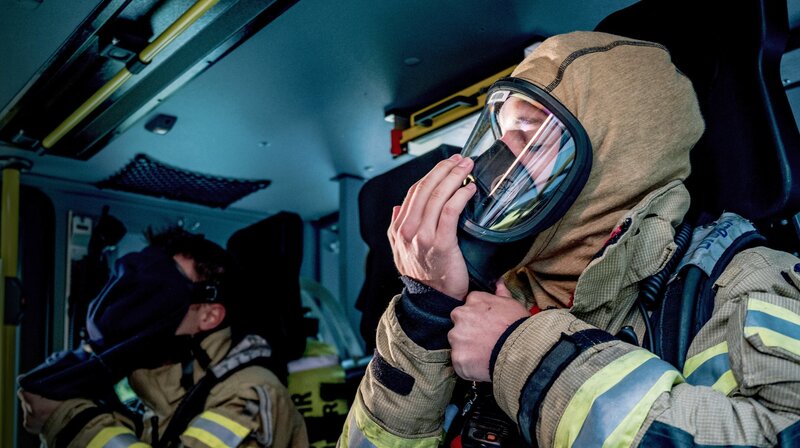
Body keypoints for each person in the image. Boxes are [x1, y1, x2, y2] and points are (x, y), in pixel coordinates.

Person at [339, 31, 800, 446]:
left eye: (533, 139)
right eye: (502, 132)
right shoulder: (490, 292)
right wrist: (426, 313)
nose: (499, 162)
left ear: (619, 164)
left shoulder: (745, 287)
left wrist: (522, 354)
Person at [18, 227, 308, 448]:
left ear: (209, 316)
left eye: (161, 290)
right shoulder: (161, 394)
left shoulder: (250, 393)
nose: (141, 303)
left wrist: (70, 421)